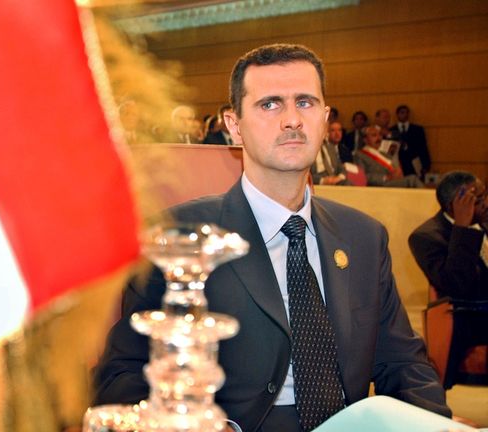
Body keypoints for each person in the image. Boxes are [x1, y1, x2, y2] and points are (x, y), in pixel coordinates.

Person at [93, 44, 449, 432]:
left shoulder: (364, 236)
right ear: (234, 124)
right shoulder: (182, 236)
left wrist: (440, 426)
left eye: (306, 102)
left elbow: (403, 364)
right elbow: (122, 376)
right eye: (270, 105)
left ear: (326, 116)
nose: (292, 120)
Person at [408, 171, 488, 389]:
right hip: (469, 316)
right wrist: (462, 228)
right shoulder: (426, 236)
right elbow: (456, 285)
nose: (485, 204)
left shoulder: (484, 220)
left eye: (484, 196)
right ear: (455, 204)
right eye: (478, 199)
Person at [354, 125, 423, 188]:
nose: (379, 138)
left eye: (380, 135)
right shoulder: (360, 155)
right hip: (379, 185)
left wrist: (398, 173)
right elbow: (362, 177)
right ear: (365, 140)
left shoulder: (385, 154)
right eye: (374, 135)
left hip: (393, 182)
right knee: (412, 180)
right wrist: (385, 177)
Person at [393, 104, 430, 179]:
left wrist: (426, 165)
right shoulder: (391, 130)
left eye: (407, 113)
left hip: (414, 164)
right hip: (398, 164)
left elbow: (423, 148)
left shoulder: (418, 130)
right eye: (402, 113)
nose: (405, 115)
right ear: (397, 114)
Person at [311, 121, 350, 185]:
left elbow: (342, 168)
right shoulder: (305, 150)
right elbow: (304, 175)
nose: (324, 132)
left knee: (348, 184)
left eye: (325, 130)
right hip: (318, 183)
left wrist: (339, 178)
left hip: (335, 181)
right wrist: (323, 180)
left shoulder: (330, 147)